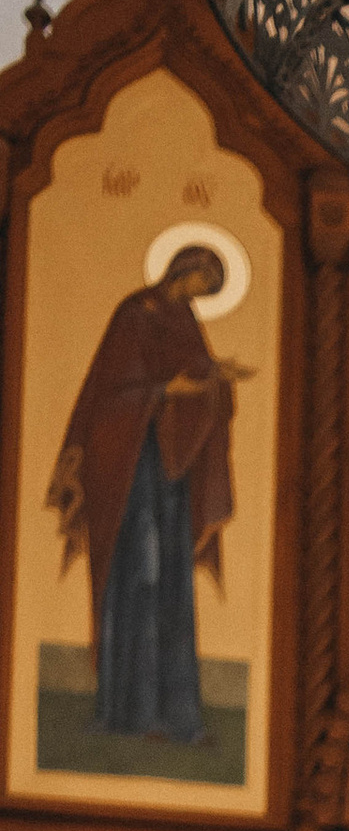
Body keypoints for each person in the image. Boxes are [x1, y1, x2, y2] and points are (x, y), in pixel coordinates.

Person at [46, 243, 243, 748]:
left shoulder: (184, 321)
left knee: (171, 585)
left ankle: (178, 718)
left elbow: (194, 379)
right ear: (186, 268)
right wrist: (162, 393)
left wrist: (216, 381)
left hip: (171, 477)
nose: (205, 292)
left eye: (215, 288)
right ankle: (125, 714)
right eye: (206, 280)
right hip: (130, 476)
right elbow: (108, 395)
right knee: (137, 579)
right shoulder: (135, 315)